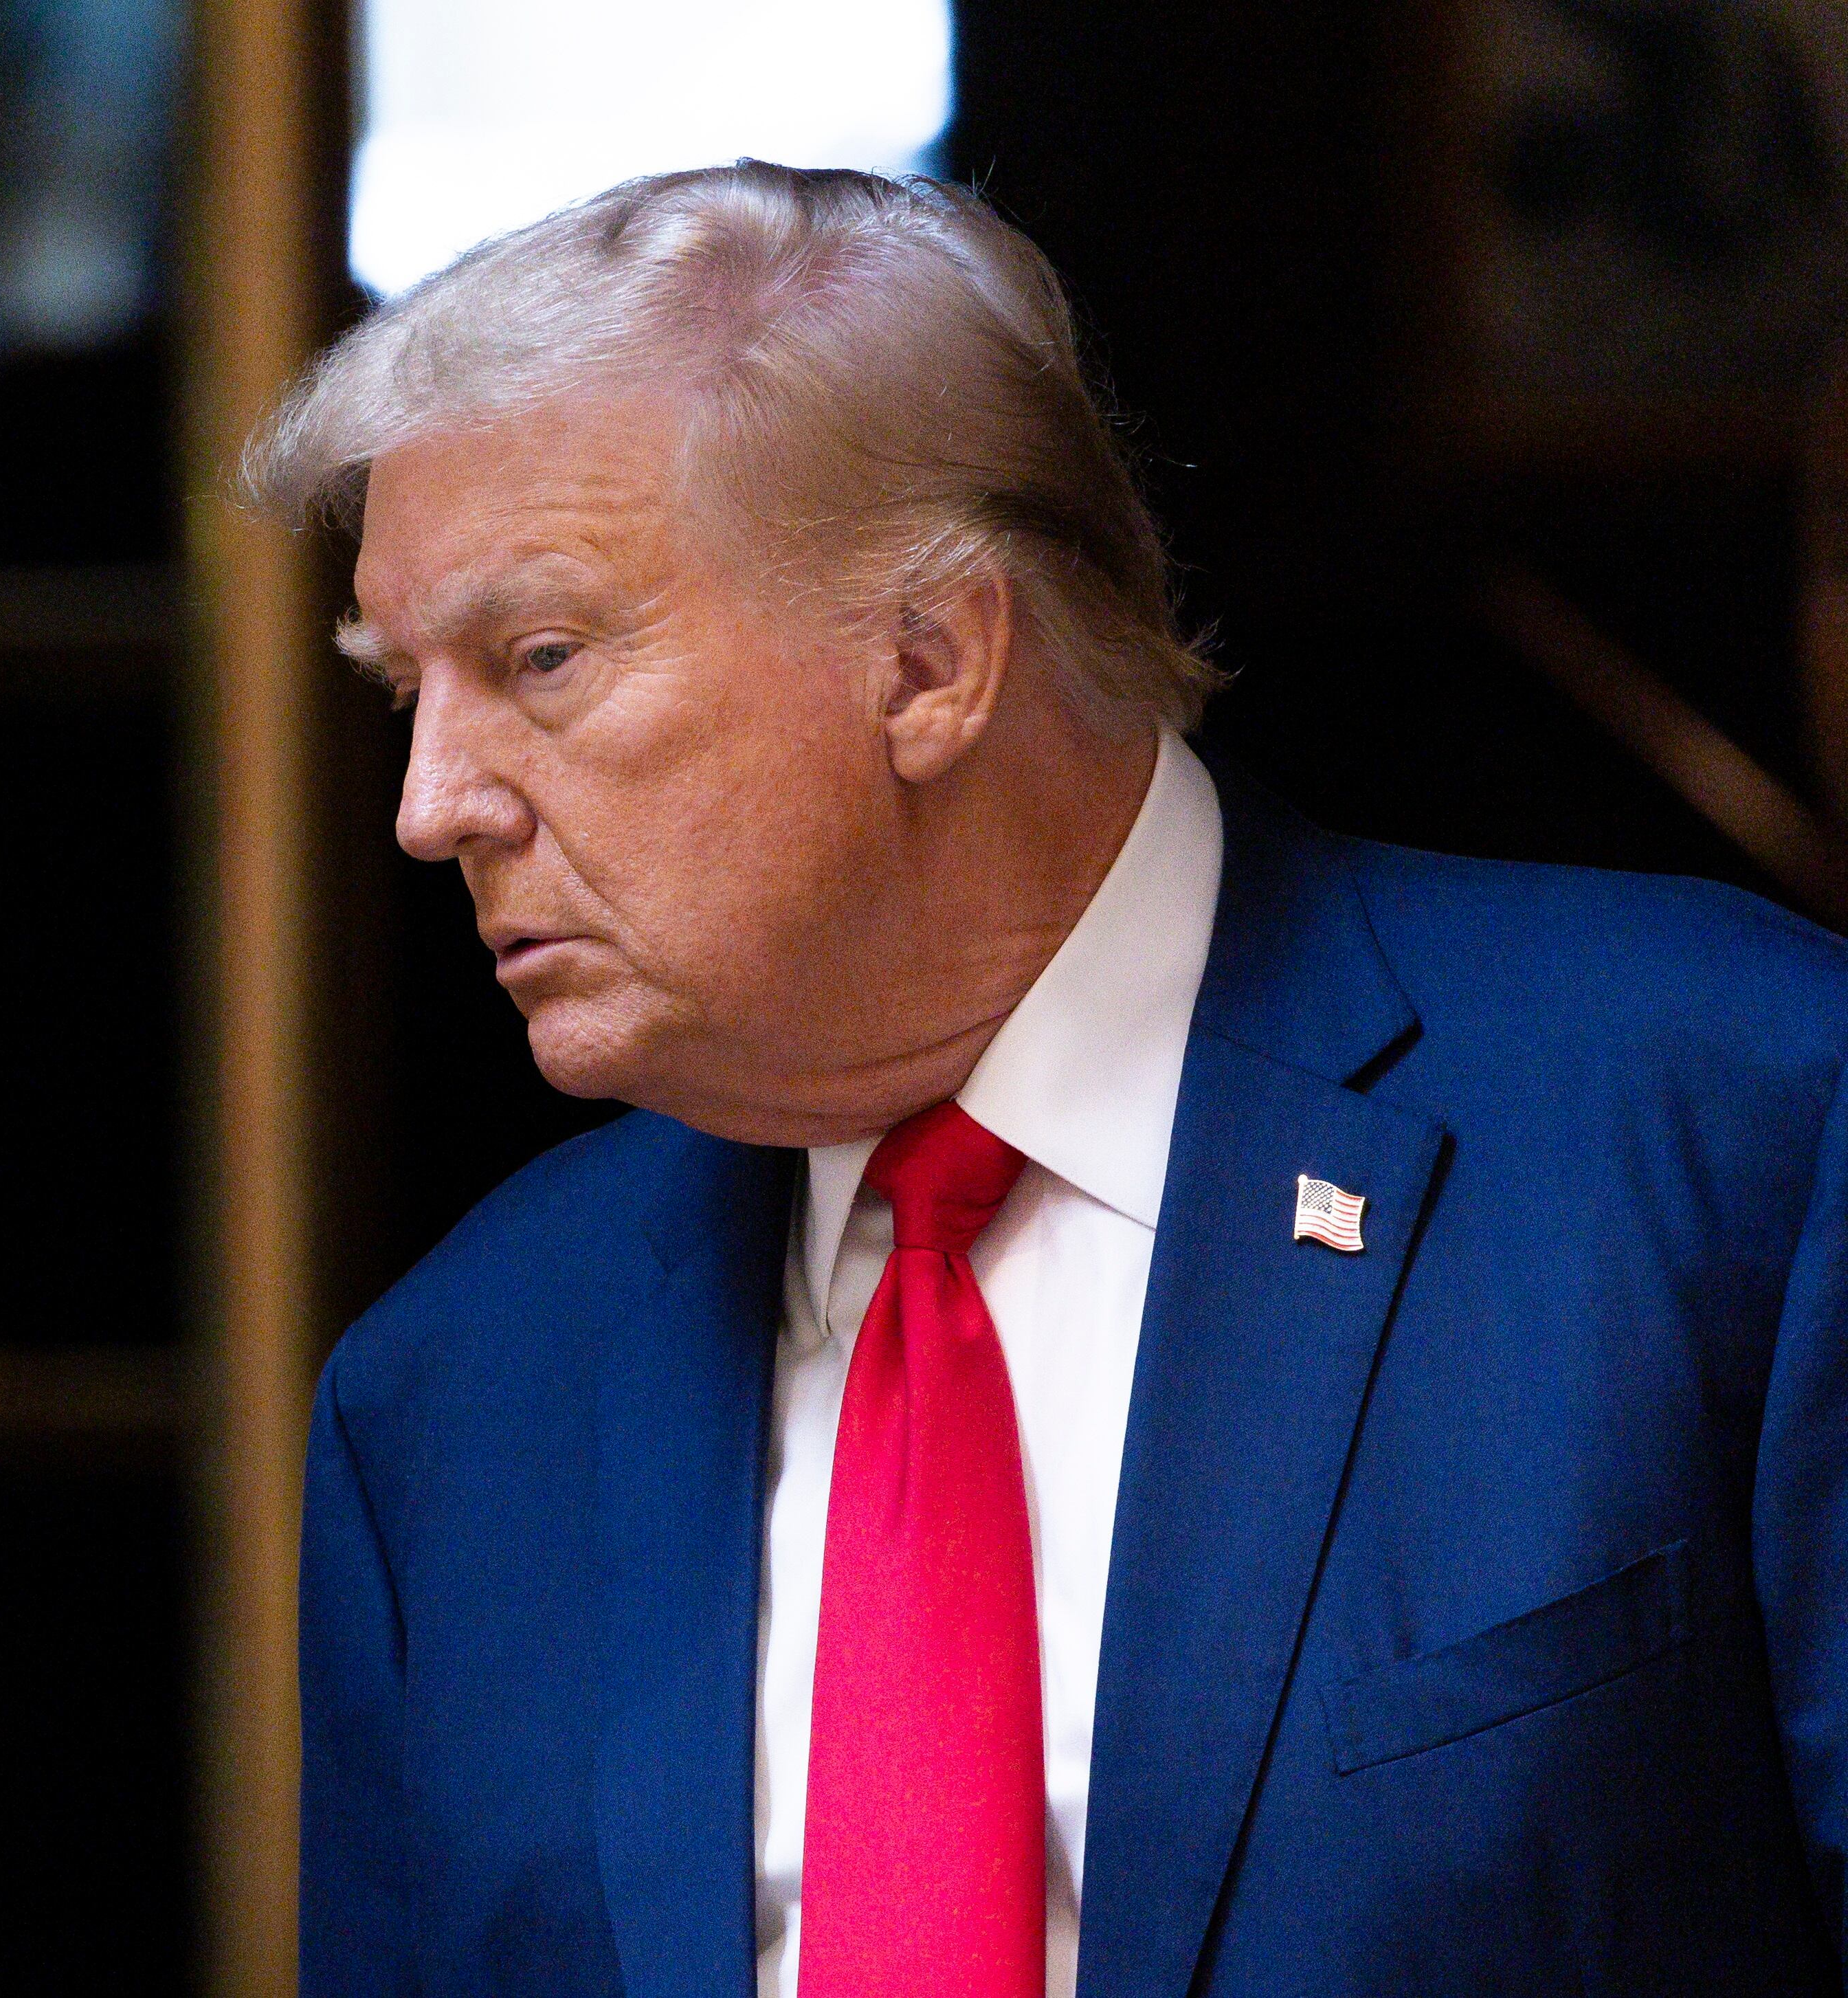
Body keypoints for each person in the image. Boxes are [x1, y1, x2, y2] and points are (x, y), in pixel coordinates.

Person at [240, 163, 1848, 1998]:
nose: (433, 802)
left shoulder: (1741, 1125)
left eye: (538, 658)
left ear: (933, 658)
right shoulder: (452, 1403)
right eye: (406, 695)